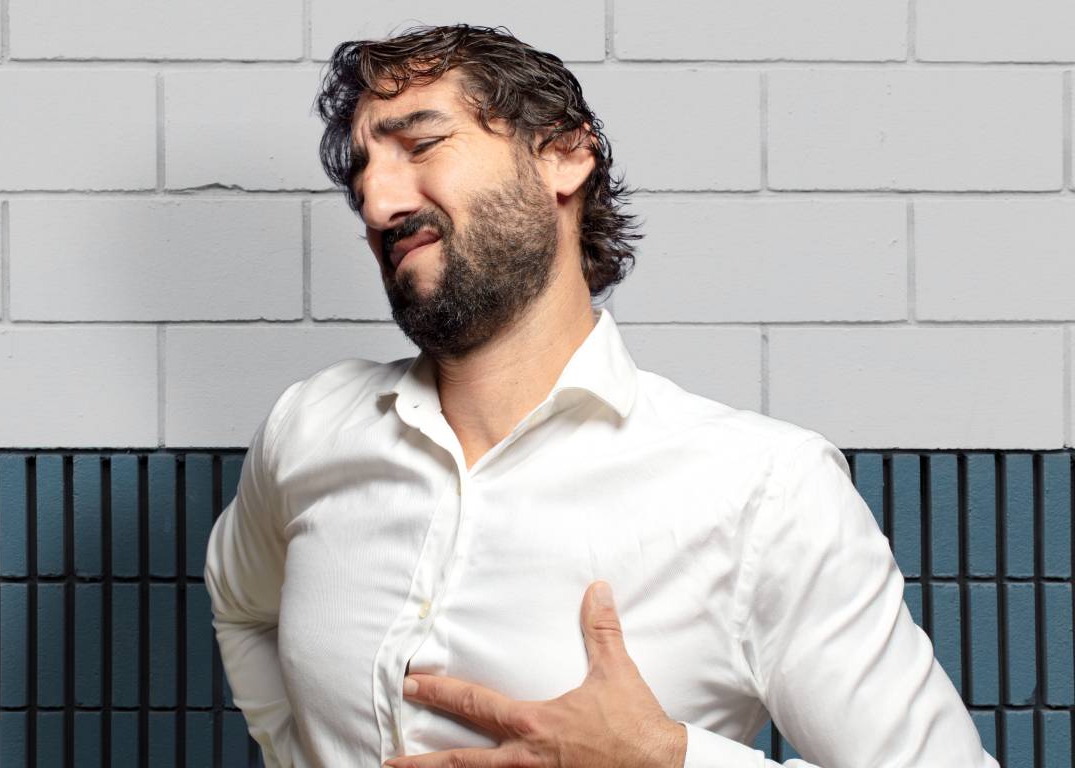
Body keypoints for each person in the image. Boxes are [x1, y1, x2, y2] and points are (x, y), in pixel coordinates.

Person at [205, 24, 999, 768]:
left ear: (562, 154)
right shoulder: (310, 430)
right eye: (361, 178)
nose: (379, 205)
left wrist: (670, 757)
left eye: (421, 144)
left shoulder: (764, 493)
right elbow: (242, 606)